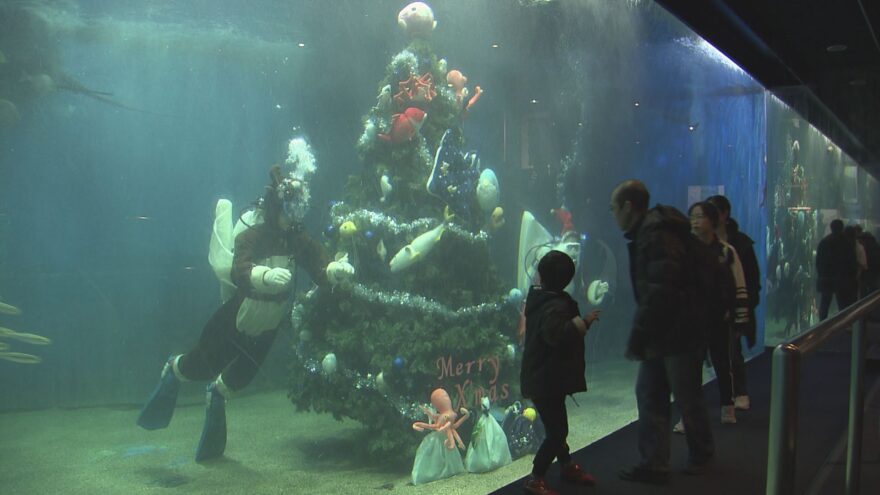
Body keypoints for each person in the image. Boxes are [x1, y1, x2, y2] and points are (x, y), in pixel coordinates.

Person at [136, 165, 353, 462]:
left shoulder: (296, 237)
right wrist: (263, 276)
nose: (297, 214)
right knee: (204, 364)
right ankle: (174, 370)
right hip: (237, 314)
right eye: (292, 206)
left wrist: (333, 270)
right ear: (278, 204)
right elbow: (240, 268)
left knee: (243, 376)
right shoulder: (253, 232)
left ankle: (217, 398)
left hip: (269, 321)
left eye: (302, 207)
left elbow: (316, 261)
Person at [610, 180, 714, 485]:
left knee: (686, 395)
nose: (612, 214)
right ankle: (654, 463)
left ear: (628, 207)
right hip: (664, 331)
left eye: (613, 208)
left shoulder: (656, 235)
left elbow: (661, 290)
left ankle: (702, 454)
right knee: (650, 393)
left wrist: (638, 334)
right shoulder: (650, 232)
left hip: (680, 331)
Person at [520, 250, 600, 495]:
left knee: (556, 425)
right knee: (558, 430)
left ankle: (565, 464)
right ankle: (536, 477)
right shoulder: (553, 305)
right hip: (544, 380)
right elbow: (557, 335)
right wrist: (582, 323)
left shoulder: (545, 299)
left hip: (547, 377)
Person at [673, 201, 747, 430]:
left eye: (700, 216)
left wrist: (740, 318)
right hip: (692, 320)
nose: (695, 221)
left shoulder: (726, 251)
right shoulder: (683, 251)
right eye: (692, 216)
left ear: (713, 220)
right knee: (690, 370)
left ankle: (727, 406)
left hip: (718, 319)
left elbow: (739, 284)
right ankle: (688, 415)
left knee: (722, 365)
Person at [706, 194, 760, 411]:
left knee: (732, 352)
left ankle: (740, 392)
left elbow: (752, 279)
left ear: (723, 214)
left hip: (730, 309)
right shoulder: (700, 243)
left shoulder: (740, 244)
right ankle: (722, 398)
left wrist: (744, 307)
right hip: (706, 310)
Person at [816, 219, 858, 320]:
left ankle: (822, 327)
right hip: (843, 279)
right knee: (843, 306)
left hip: (827, 278)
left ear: (831, 228)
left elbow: (818, 261)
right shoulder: (847, 243)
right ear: (842, 228)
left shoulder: (824, 242)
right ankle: (844, 327)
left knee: (825, 304)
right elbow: (851, 261)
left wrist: (821, 275)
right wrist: (852, 276)